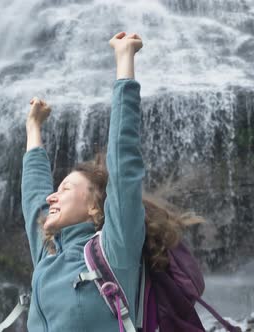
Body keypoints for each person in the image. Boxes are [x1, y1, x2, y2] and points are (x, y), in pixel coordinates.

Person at [22, 31, 202, 331]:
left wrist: (124, 61)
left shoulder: (115, 250)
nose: (52, 197)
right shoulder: (48, 255)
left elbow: (123, 164)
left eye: (65, 189)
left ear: (95, 206)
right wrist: (33, 128)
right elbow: (32, 199)